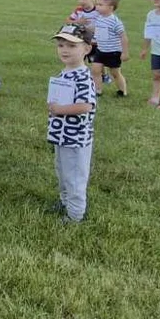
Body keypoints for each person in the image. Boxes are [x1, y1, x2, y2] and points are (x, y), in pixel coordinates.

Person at [47, 23, 98, 224]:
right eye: (61, 45)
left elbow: (85, 106)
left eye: (71, 46)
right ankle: (65, 201)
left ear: (86, 49)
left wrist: (58, 109)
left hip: (76, 138)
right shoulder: (66, 72)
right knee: (62, 172)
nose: (64, 50)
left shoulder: (84, 77)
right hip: (61, 135)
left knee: (75, 176)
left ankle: (75, 214)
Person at [91, 0, 128, 97]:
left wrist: (124, 52)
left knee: (115, 73)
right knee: (95, 70)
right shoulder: (99, 18)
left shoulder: (115, 22)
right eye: (97, 4)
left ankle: (122, 90)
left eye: (100, 5)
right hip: (100, 50)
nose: (97, 6)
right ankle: (97, 90)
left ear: (111, 8)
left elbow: (123, 37)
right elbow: (97, 31)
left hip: (113, 52)